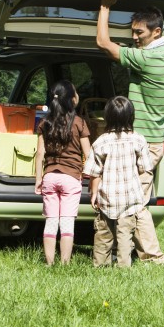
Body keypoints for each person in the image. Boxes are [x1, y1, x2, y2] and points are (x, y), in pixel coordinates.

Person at [96, 0, 164, 264]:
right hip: (154, 141)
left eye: (140, 33)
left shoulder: (146, 58)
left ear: (155, 33)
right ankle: (147, 255)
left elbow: (103, 43)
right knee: (137, 199)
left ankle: (153, 256)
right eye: (133, 32)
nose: (134, 38)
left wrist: (104, 6)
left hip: (142, 143)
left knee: (136, 203)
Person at [84, 96, 153, 267]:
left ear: (107, 117)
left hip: (107, 197)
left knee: (103, 235)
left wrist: (94, 194)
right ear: (131, 116)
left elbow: (95, 172)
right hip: (130, 198)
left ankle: (99, 265)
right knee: (125, 236)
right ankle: (123, 267)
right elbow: (145, 167)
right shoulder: (138, 139)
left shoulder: (100, 142)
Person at [34, 80, 92, 266]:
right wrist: (92, 178)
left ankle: (49, 263)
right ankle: (65, 263)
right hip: (71, 178)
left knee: (51, 222)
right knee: (67, 223)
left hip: (50, 177)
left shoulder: (45, 123)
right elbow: (88, 154)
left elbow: (40, 154)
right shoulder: (78, 123)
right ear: (72, 100)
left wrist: (38, 179)